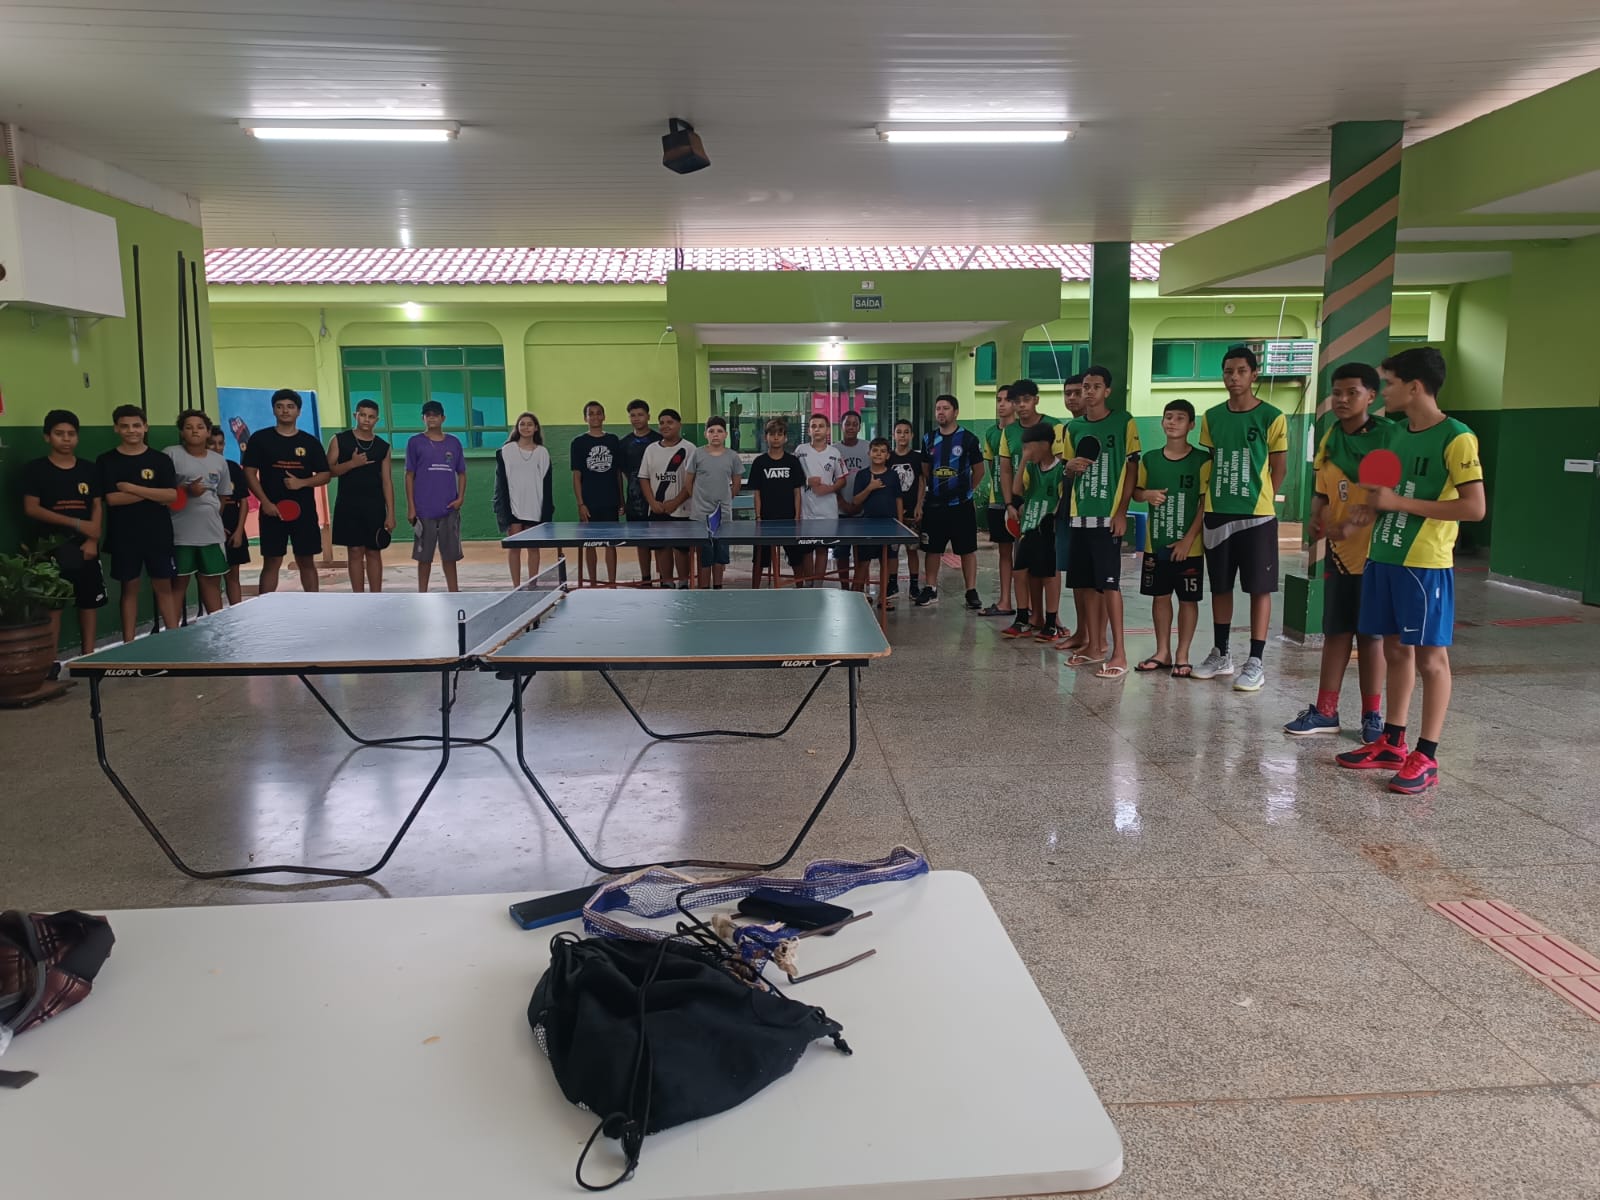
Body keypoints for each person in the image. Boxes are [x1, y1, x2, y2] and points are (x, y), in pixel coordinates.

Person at [1336, 348, 1484, 795]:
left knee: (1430, 659)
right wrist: (1356, 519)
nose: (1385, 392)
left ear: (1415, 387)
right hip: (1385, 556)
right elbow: (1382, 493)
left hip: (1424, 565)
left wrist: (1399, 504)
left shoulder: (1457, 438)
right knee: (1393, 650)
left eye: (1391, 383)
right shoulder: (1394, 434)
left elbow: (1473, 507)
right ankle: (1393, 742)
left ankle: (1427, 754)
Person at [1284, 364, 1389, 740]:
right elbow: (1323, 489)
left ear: (1371, 396)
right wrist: (1316, 515)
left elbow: (1389, 495)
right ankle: (1326, 711)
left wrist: (1356, 523)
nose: (1342, 400)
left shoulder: (1389, 437)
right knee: (1336, 631)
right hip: (1340, 555)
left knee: (1371, 636)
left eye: (1352, 393)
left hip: (1378, 556)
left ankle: (1373, 717)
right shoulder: (1329, 436)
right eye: (1337, 393)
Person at [1192, 345, 1288, 692]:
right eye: (1228, 371)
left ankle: (1256, 661)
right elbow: (1212, 462)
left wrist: (1259, 498)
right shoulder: (1212, 416)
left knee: (1259, 589)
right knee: (1220, 586)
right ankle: (1222, 654)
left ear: (1254, 375)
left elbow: (1279, 467)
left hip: (1257, 516)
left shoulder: (1272, 416)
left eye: (1241, 371)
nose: (1234, 378)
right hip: (1218, 513)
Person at [1060, 366, 1140, 678]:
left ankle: (1119, 652)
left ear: (1107, 391)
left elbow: (1132, 468)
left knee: (1109, 585)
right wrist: (1070, 469)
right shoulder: (1073, 428)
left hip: (1108, 517)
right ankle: (1095, 646)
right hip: (1079, 517)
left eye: (1095, 386)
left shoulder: (1124, 421)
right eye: (1085, 387)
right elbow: (1066, 469)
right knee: (1085, 585)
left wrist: (1122, 511)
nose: (1089, 392)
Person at [1131, 399, 1208, 676]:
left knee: (1188, 599)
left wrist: (1188, 540)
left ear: (1191, 425)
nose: (1172, 422)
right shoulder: (1150, 459)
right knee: (1160, 596)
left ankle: (1182, 654)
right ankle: (1162, 651)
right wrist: (1146, 495)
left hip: (1191, 548)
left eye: (1179, 418)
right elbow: (1136, 491)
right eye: (1168, 417)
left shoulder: (1201, 460)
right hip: (1156, 543)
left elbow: (1204, 504)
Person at [21, 409, 106, 656]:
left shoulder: (89, 470)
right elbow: (32, 508)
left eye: (71, 434)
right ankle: (50, 662)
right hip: (50, 548)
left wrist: (91, 538)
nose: (66, 439)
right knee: (53, 606)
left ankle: (89, 656)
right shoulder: (35, 470)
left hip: (85, 548)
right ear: (47, 437)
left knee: (89, 603)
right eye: (59, 434)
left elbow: (97, 505)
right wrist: (77, 524)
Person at [97, 404, 180, 640]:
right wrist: (154, 493)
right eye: (125, 426)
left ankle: (174, 640)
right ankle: (129, 644)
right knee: (129, 589)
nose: (131, 430)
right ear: (116, 429)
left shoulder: (161, 459)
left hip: (158, 534)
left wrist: (131, 487)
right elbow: (113, 499)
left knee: (163, 587)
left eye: (136, 425)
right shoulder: (107, 460)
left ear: (145, 427)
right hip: (124, 536)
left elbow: (171, 495)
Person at [243, 388, 330, 594]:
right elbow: (249, 472)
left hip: (304, 512)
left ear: (298, 411)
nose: (285, 411)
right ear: (273, 410)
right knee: (272, 561)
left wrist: (303, 483)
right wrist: (265, 502)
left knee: (306, 560)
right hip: (272, 511)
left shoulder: (310, 442)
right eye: (280, 406)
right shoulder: (260, 439)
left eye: (290, 407)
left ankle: (313, 606)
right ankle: (266, 607)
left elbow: (325, 474)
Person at [916, 395, 984, 610]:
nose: (941, 412)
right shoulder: (928, 439)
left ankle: (971, 591)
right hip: (935, 506)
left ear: (956, 412)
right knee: (932, 549)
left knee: (967, 550)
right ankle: (930, 588)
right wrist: (924, 500)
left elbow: (979, 471)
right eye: (938, 408)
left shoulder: (969, 439)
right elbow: (924, 473)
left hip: (961, 506)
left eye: (945, 408)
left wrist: (967, 493)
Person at [166, 408, 233, 618]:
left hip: (210, 533)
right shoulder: (170, 455)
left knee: (211, 582)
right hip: (180, 533)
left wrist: (213, 516)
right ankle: (173, 633)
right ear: (181, 432)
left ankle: (218, 629)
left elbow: (223, 495)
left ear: (207, 432)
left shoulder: (219, 461)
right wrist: (186, 491)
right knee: (178, 584)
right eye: (188, 427)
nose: (195, 431)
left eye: (200, 427)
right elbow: (163, 494)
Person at [1003, 423, 1066, 641]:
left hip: (1047, 530)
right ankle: (1022, 619)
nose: (1026, 452)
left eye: (1029, 448)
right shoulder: (1030, 468)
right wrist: (1023, 460)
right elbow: (1017, 490)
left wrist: (1053, 520)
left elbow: (1061, 500)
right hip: (1028, 527)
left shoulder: (1060, 470)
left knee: (1049, 576)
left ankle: (1051, 623)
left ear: (1044, 445)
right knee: (1019, 572)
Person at [327, 398, 394, 593]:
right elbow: (327, 471)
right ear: (356, 415)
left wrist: (390, 513)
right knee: (355, 551)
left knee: (374, 551)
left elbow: (387, 481)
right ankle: (358, 596)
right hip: (348, 505)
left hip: (374, 506)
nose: (366, 420)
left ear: (377, 419)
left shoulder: (383, 447)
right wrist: (351, 464)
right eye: (363, 415)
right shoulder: (339, 440)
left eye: (371, 417)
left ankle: (376, 596)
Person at [404, 399, 468, 592]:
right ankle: (422, 593)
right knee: (424, 558)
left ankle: (454, 592)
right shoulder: (415, 442)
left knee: (450, 556)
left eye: (436, 414)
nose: (432, 417)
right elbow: (409, 475)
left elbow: (462, 473)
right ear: (423, 418)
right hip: (424, 510)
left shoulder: (454, 443)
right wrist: (412, 507)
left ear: (443, 418)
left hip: (449, 509)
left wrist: (460, 498)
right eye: (428, 414)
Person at [494, 412, 554, 587]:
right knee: (514, 548)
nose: (526, 427)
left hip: (535, 507)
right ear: (517, 428)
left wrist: (546, 511)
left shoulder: (542, 452)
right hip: (513, 507)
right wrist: (502, 508)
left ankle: (533, 584)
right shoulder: (507, 451)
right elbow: (501, 483)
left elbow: (546, 483)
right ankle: (516, 585)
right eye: (522, 424)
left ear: (536, 428)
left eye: (530, 424)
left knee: (533, 548)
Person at [841, 436, 904, 604]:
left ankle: (884, 597)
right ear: (869, 453)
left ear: (888, 456)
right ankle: (857, 596)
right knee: (863, 563)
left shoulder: (893, 476)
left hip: (890, 527)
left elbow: (898, 499)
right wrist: (870, 488)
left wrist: (900, 524)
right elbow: (856, 501)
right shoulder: (862, 476)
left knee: (886, 563)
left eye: (883, 451)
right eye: (875, 450)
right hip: (867, 526)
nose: (878, 454)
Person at [569, 401, 625, 586]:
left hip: (610, 500)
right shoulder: (578, 443)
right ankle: (592, 583)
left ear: (604, 416)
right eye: (590, 413)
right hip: (589, 501)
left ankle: (612, 582)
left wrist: (621, 500)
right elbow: (576, 476)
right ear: (585, 418)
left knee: (611, 543)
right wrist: (580, 504)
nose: (594, 416)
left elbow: (617, 473)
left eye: (598, 413)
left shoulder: (613, 440)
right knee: (589, 543)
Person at [638, 407, 695, 587]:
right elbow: (644, 478)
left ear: (679, 424)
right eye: (661, 423)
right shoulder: (651, 450)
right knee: (662, 548)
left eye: (670, 422)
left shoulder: (689, 448)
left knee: (681, 548)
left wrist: (675, 502)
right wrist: (652, 502)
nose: (665, 426)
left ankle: (683, 583)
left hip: (682, 509)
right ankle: (667, 583)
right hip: (657, 508)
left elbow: (691, 481)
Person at [748, 417, 806, 586]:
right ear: (765, 437)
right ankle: (755, 590)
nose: (775, 437)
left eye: (779, 434)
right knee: (759, 559)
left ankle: (800, 588)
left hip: (789, 519)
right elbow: (756, 493)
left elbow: (797, 492)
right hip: (766, 520)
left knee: (796, 558)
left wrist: (797, 516)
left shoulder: (793, 462)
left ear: (785, 438)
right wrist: (758, 517)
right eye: (771, 434)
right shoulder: (759, 462)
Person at [686, 415, 742, 588]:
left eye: (719, 431)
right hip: (701, 515)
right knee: (705, 554)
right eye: (711, 431)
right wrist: (699, 500)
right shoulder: (697, 454)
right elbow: (689, 482)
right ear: (706, 434)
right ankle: (704, 589)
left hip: (723, 515)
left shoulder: (732, 456)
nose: (715, 434)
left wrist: (725, 500)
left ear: (725, 434)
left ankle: (718, 587)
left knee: (720, 554)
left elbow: (736, 484)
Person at [978, 383, 1020, 617]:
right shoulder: (991, 434)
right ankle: (1005, 601)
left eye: (1007, 399)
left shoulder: (1024, 432)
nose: (1002, 404)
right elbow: (995, 467)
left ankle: (1033, 608)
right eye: (999, 399)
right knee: (1004, 553)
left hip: (1023, 503)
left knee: (1025, 555)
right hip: (998, 502)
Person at [1054, 374, 1088, 649]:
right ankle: (1081, 632)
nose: (1072, 398)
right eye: (1068, 393)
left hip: (1097, 510)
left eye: (1078, 392)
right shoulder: (1067, 429)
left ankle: (1095, 637)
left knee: (1094, 578)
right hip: (1070, 508)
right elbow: (1065, 471)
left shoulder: (1103, 427)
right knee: (1075, 574)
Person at [795, 412, 847, 587]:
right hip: (805, 509)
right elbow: (792, 479)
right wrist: (806, 481)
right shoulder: (800, 451)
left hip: (828, 510)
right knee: (807, 549)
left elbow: (842, 479)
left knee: (823, 548)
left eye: (821, 426)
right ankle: (809, 585)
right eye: (813, 426)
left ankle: (818, 585)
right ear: (809, 430)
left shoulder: (835, 453)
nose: (817, 429)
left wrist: (829, 488)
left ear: (827, 430)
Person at [618, 399, 662, 586]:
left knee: (661, 540)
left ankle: (664, 577)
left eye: (640, 415)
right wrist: (623, 500)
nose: (636, 419)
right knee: (641, 541)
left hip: (659, 497)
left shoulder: (659, 440)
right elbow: (622, 474)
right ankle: (646, 579)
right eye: (632, 415)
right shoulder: (624, 443)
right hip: (635, 498)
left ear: (648, 416)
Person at [209, 424, 250, 605]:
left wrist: (239, 530)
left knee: (233, 577)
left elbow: (244, 502)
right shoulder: (199, 471)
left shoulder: (232, 468)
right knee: (213, 579)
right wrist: (217, 528)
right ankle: (217, 620)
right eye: (212, 444)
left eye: (220, 443)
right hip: (209, 530)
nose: (217, 448)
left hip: (233, 529)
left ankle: (237, 615)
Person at [888, 418, 927, 600]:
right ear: (894, 435)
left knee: (912, 550)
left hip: (912, 512)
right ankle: (893, 584)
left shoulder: (917, 457)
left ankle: (913, 586)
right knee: (892, 551)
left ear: (911, 435)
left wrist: (919, 505)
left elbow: (921, 482)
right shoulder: (889, 457)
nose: (902, 435)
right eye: (899, 431)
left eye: (906, 432)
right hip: (894, 514)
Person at [833, 410, 870, 586]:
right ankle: (844, 588)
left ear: (859, 427)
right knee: (841, 553)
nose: (851, 427)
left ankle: (859, 589)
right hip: (839, 511)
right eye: (848, 423)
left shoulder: (868, 447)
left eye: (855, 424)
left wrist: (859, 503)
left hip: (863, 511)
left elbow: (874, 476)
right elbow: (831, 479)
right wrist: (843, 503)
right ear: (842, 426)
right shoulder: (833, 450)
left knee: (862, 554)